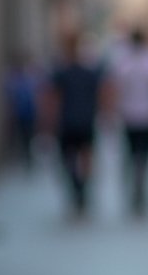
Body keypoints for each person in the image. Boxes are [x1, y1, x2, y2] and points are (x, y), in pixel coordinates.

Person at [107, 26, 148, 214]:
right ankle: (141, 186)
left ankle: (136, 188)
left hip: (129, 117)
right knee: (146, 156)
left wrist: (111, 113)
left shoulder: (122, 62)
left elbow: (114, 90)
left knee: (131, 155)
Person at [42, 31, 105, 215]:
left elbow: (53, 100)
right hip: (84, 121)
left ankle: (77, 187)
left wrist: (47, 123)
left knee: (69, 158)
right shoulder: (88, 73)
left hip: (68, 122)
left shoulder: (61, 73)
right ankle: (82, 187)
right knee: (84, 157)